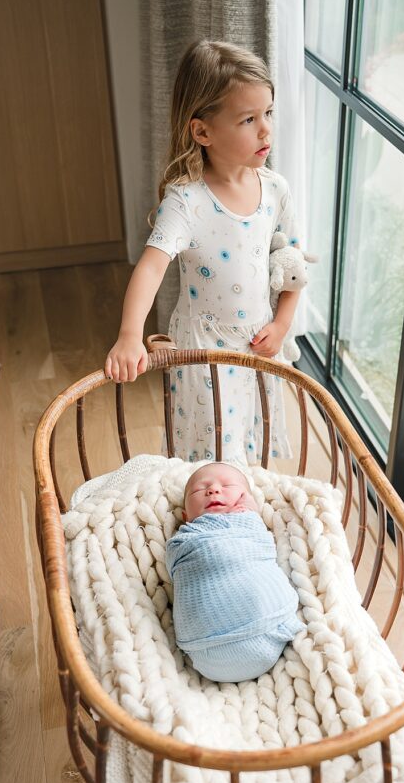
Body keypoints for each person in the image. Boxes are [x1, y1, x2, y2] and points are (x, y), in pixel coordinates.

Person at [104, 39, 303, 464]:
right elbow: (151, 270)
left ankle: (241, 509)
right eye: (249, 119)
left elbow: (291, 266)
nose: (266, 129)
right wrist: (128, 337)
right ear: (202, 131)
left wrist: (283, 324)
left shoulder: (275, 190)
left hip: (258, 345)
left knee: (252, 440)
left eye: (268, 113)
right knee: (212, 453)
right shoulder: (187, 201)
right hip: (204, 353)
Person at [165, 462, 303, 682]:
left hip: (267, 629)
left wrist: (249, 516)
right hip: (206, 646)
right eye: (200, 490)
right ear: (186, 516)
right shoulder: (186, 539)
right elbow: (177, 562)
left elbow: (260, 543)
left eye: (227, 485)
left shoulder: (250, 526)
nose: (213, 490)